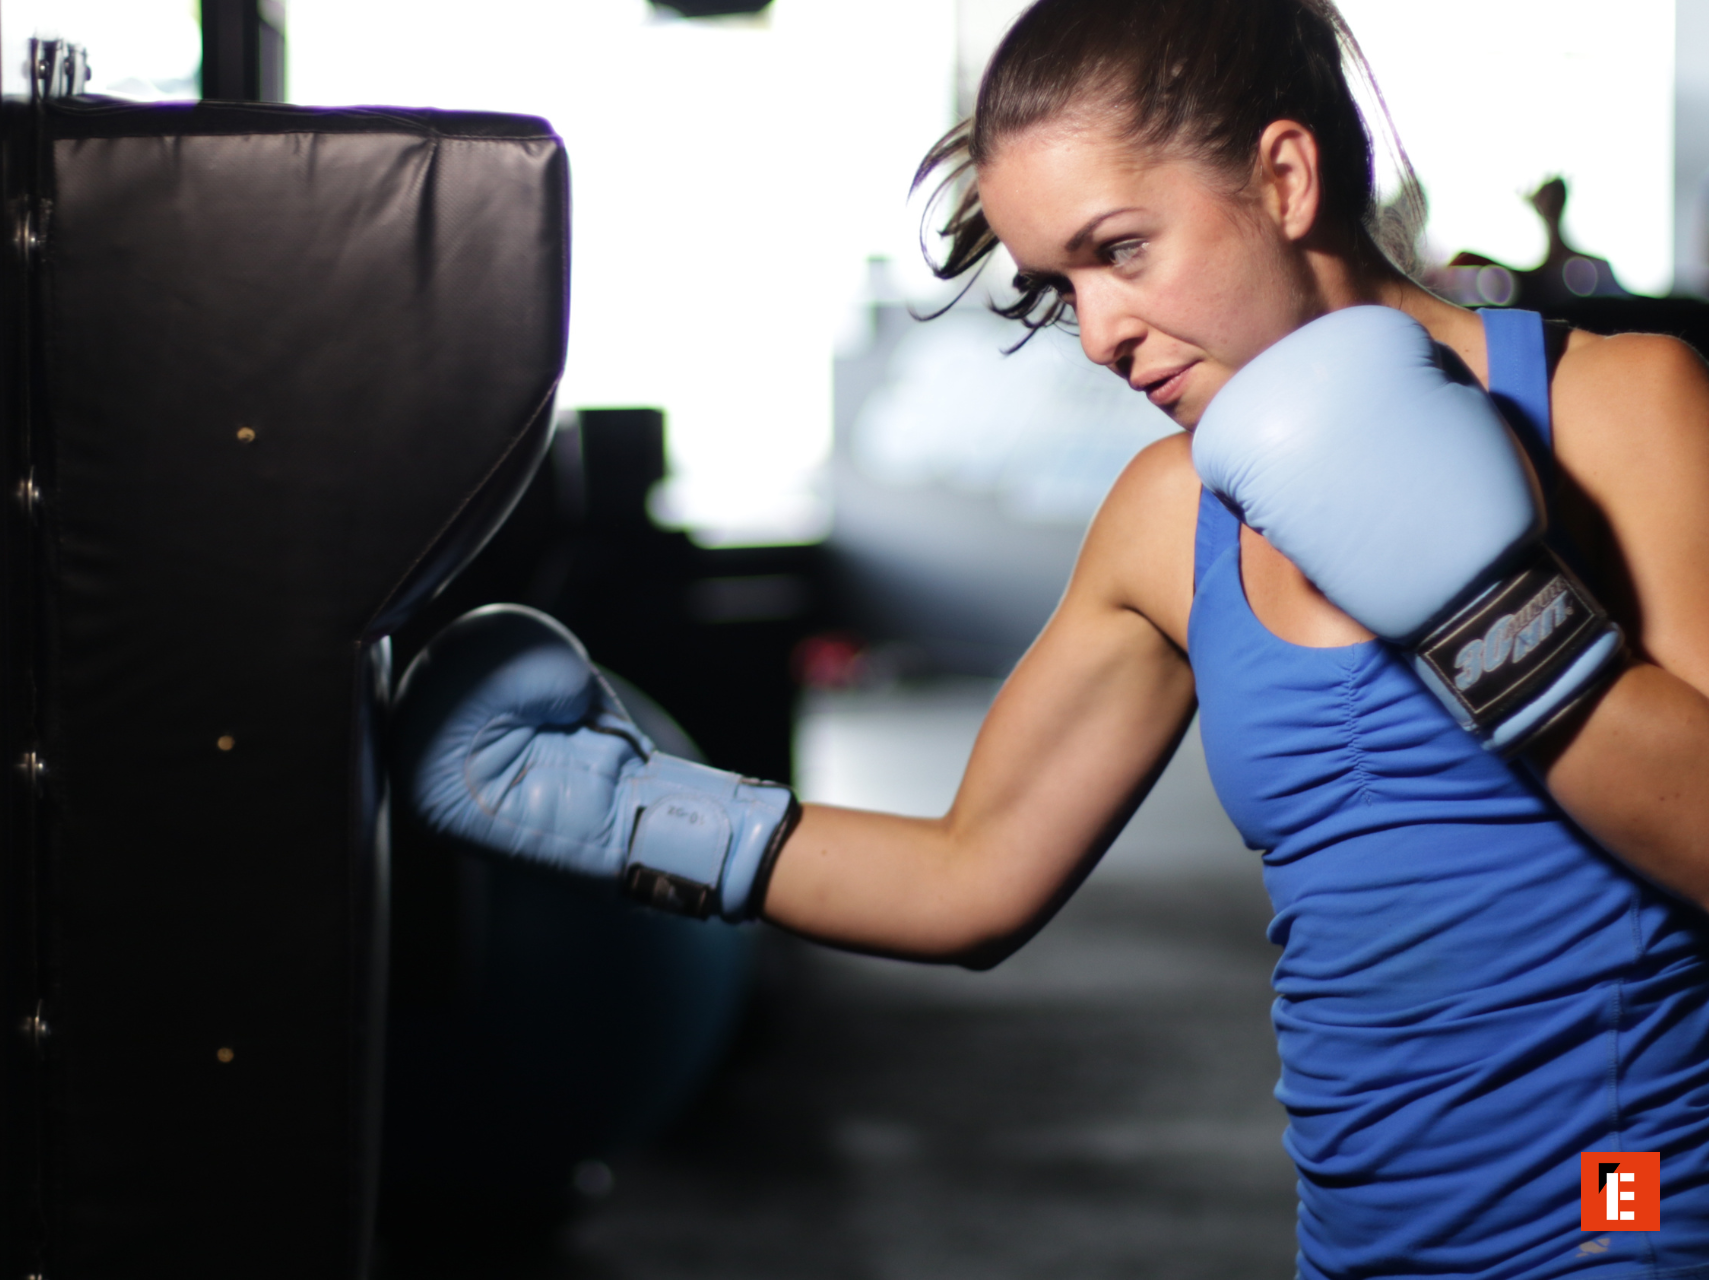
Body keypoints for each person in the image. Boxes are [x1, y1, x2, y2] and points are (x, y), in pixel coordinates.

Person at [390, 0, 1709, 1274]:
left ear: (1287, 176)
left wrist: (1490, 614)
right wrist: (609, 811)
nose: (1097, 334)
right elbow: (972, 881)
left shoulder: (1616, 411)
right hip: (1361, 1240)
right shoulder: (1167, 517)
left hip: (1626, 1211)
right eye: (1056, 283)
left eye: (1121, 249)